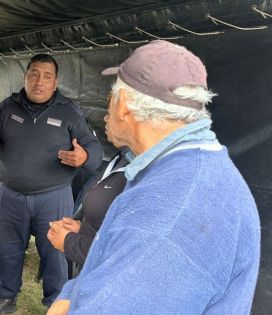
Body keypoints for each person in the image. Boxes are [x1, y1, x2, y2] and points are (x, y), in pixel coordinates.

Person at [48, 40, 260, 315]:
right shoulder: (184, 168)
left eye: (111, 94)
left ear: (122, 104)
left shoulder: (169, 216)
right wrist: (72, 293)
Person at [0, 53, 102, 314]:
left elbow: (94, 149)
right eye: (33, 74)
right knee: (8, 249)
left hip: (53, 196)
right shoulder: (7, 108)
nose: (39, 81)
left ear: (55, 82)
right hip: (11, 195)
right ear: (25, 76)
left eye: (47, 76)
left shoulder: (69, 111)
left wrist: (84, 156)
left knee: (55, 251)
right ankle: (5, 297)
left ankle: (55, 301)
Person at [47, 149, 129, 274]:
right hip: (86, 274)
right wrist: (83, 228)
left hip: (103, 285)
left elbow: (121, 258)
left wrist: (69, 242)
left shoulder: (145, 175)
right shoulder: (122, 156)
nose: (106, 127)